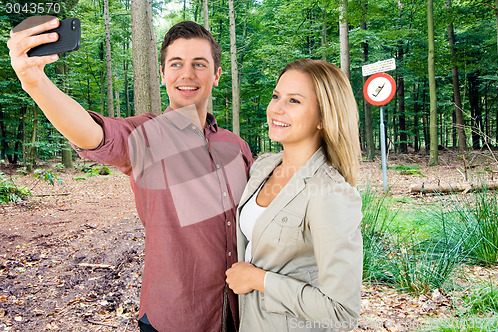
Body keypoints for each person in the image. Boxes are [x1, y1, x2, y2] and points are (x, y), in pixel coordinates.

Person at [8, 17, 252, 332]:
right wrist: (34, 82)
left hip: (240, 313)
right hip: (174, 317)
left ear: (217, 75)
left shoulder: (237, 146)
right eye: (176, 64)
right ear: (163, 74)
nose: (187, 74)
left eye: (199, 64)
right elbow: (92, 134)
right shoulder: (146, 136)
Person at [225, 59, 363, 331]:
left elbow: (342, 312)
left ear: (324, 117)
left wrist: (259, 280)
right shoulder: (263, 168)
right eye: (277, 96)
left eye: (294, 101)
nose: (276, 108)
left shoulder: (331, 193)